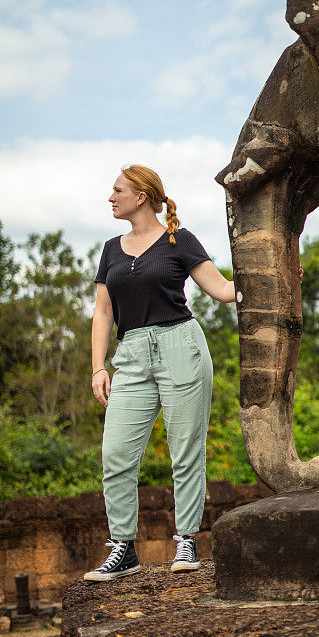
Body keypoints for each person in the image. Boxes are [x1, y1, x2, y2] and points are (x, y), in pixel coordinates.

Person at [84, 164, 236, 581]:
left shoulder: (178, 240)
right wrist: (99, 367)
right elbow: (102, 312)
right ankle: (123, 549)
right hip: (130, 355)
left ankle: (185, 540)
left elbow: (222, 290)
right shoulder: (112, 249)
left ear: (142, 196)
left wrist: (269, 278)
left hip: (181, 347)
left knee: (185, 451)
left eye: (117, 191)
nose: (110, 198)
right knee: (115, 456)